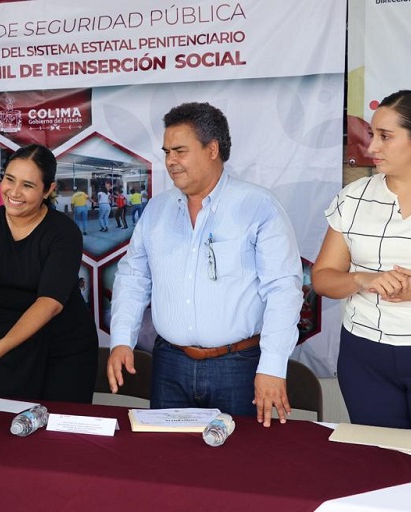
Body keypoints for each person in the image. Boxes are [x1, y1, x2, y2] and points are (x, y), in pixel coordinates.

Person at [107, 102, 303, 426]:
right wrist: (121, 341)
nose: (170, 161)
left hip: (238, 366)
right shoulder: (156, 211)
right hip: (169, 363)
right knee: (167, 464)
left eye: (180, 151)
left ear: (212, 149)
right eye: (167, 151)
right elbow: (133, 278)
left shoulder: (257, 206)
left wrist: (272, 366)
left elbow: (283, 289)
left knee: (238, 467)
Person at [312, 90, 411, 430]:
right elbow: (322, 278)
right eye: (372, 135)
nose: (371, 147)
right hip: (364, 356)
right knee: (382, 460)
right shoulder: (354, 198)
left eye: (385, 137)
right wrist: (362, 280)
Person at [0, 144, 98, 403]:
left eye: (28, 185)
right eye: (9, 179)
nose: (14, 192)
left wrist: (1, 346)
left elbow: (49, 302)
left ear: (48, 190)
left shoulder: (63, 232)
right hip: (7, 341)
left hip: (63, 347)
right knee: (8, 427)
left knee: (59, 433)